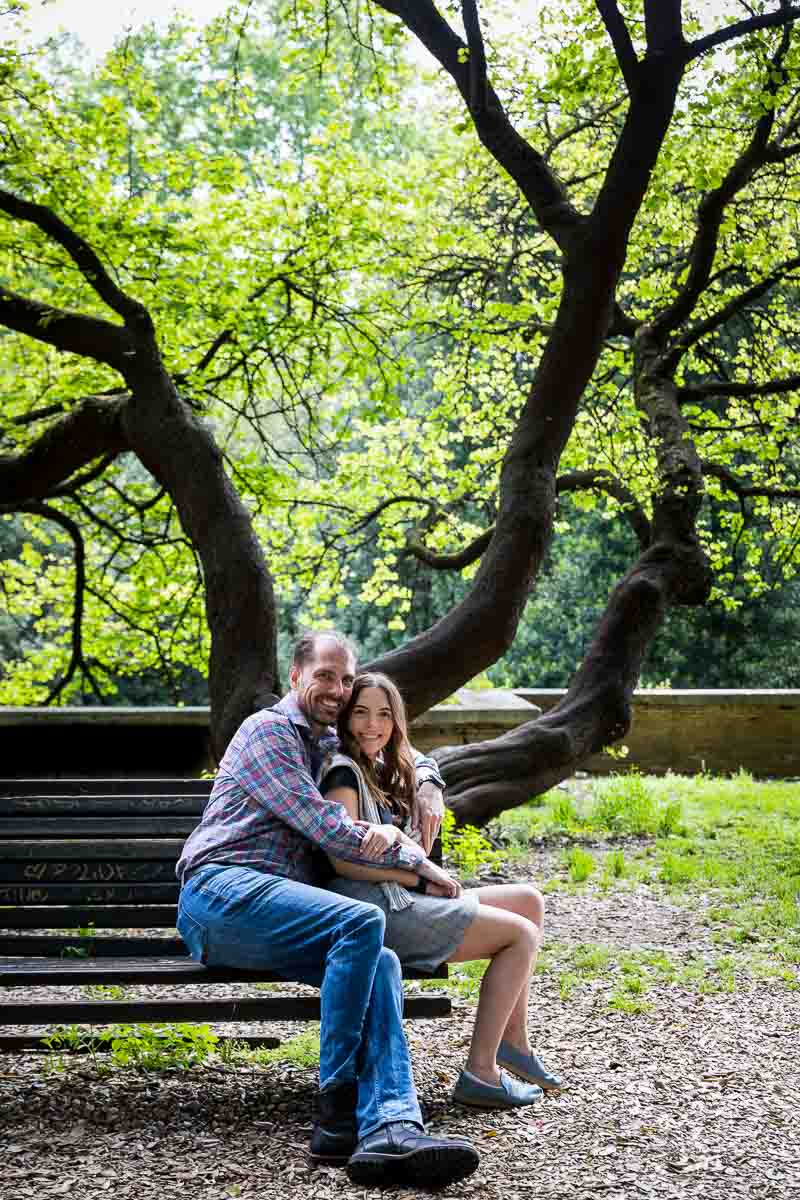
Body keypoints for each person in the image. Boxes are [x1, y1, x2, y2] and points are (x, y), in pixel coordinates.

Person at [175, 631, 479, 1188]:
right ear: (295, 677)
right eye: (324, 676)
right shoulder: (269, 732)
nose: (337, 689)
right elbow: (327, 828)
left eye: (345, 678)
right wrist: (421, 865)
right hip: (220, 895)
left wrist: (431, 782)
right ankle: (335, 1110)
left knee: (381, 960)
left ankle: (392, 1126)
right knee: (362, 921)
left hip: (281, 910)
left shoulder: (322, 741)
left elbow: (397, 746)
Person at [319, 671, 563, 1109]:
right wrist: (418, 877)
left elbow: (418, 760)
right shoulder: (343, 773)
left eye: (383, 715)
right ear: (344, 718)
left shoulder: (379, 766)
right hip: (376, 911)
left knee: (529, 901)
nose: (371, 725)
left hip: (399, 896)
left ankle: (514, 1042)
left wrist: (428, 789)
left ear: (396, 724)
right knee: (519, 936)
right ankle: (481, 1074)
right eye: (359, 713)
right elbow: (344, 861)